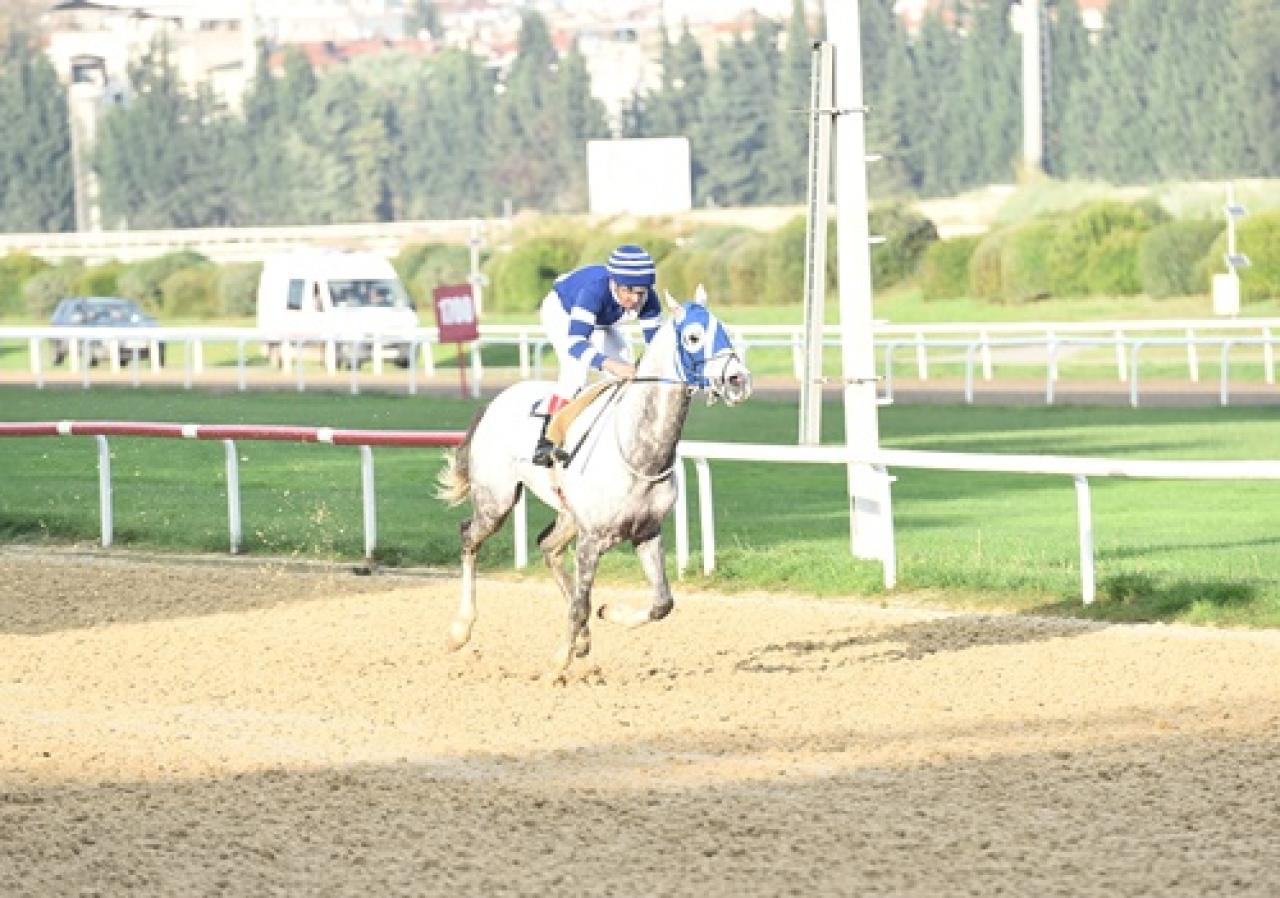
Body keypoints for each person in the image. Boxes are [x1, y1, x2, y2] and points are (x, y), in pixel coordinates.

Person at [532, 243, 662, 467]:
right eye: (628, 291)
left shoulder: (649, 301)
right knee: (575, 372)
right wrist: (609, 365)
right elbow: (575, 343)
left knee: (626, 363)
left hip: (602, 318)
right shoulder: (594, 291)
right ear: (614, 283)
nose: (634, 300)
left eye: (640, 293)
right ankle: (546, 441)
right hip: (562, 311)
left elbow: (657, 347)